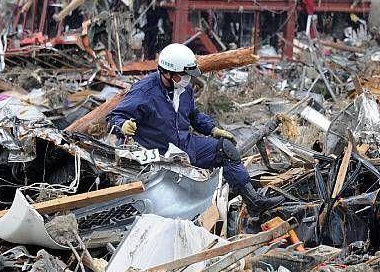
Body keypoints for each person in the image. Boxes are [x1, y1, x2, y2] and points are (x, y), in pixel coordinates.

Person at [107, 43, 282, 213]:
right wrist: (122, 125)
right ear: (167, 72)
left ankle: (253, 202)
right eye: (184, 74)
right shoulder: (144, 91)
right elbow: (114, 116)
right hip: (157, 153)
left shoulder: (184, 88)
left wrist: (212, 129)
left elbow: (193, 115)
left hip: (184, 145)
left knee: (225, 149)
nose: (188, 78)